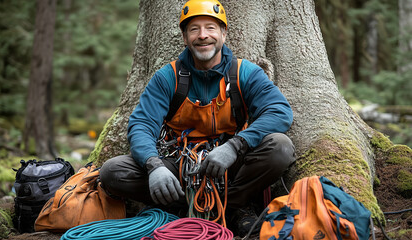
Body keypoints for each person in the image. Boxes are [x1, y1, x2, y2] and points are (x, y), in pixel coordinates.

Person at [100, 0, 295, 236]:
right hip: (179, 164)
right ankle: (188, 207)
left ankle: (231, 207)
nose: (203, 35)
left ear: (223, 33)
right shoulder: (167, 77)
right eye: (194, 29)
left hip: (231, 166)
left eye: (211, 28)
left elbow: (279, 111)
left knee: (281, 148)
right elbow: (142, 124)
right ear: (185, 38)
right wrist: (154, 166)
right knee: (113, 171)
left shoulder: (245, 73)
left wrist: (235, 146)